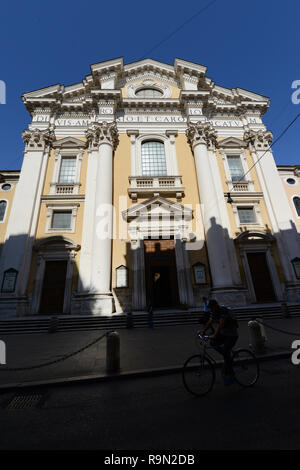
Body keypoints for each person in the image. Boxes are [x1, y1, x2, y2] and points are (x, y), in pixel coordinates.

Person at [201, 299, 238, 385]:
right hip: (224, 334)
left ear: (214, 306)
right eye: (209, 308)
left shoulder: (223, 310)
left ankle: (230, 374)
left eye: (211, 308)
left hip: (232, 334)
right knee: (213, 343)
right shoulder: (214, 312)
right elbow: (210, 322)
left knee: (225, 351)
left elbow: (221, 324)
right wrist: (203, 331)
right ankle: (227, 358)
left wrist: (214, 335)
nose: (210, 310)